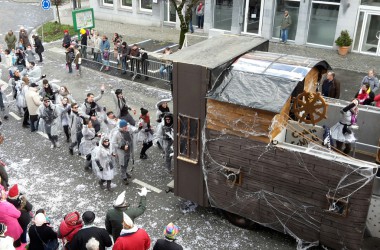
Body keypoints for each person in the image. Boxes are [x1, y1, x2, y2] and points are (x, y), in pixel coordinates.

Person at [111, 119, 138, 185]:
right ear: (121, 127)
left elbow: (135, 131)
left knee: (126, 162)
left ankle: (125, 172)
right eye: (124, 127)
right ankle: (124, 177)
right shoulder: (117, 134)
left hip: (128, 150)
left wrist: (140, 127)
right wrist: (122, 147)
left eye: (126, 126)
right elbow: (113, 143)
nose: (126, 127)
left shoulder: (128, 129)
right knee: (123, 164)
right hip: (121, 152)